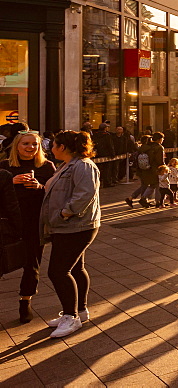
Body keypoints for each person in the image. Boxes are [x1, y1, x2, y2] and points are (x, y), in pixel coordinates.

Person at [40, 131, 101, 339]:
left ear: (63, 147)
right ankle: (80, 311)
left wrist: (65, 213)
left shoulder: (83, 165)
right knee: (76, 267)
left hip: (76, 226)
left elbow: (85, 194)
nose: (51, 148)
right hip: (68, 225)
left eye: (54, 145)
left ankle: (70, 316)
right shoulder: (67, 165)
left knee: (58, 271)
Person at [2, 130, 55, 323]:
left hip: (34, 223)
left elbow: (54, 194)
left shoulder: (46, 166)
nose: (31, 148)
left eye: (34, 144)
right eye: (26, 144)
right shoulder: (5, 167)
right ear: (17, 146)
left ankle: (25, 302)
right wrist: (10, 181)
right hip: (7, 224)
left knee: (32, 264)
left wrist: (39, 187)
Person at [125, 133, 163, 208]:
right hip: (153, 169)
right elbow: (159, 160)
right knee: (155, 184)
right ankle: (154, 201)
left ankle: (133, 198)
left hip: (143, 168)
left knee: (145, 185)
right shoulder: (158, 147)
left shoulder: (145, 147)